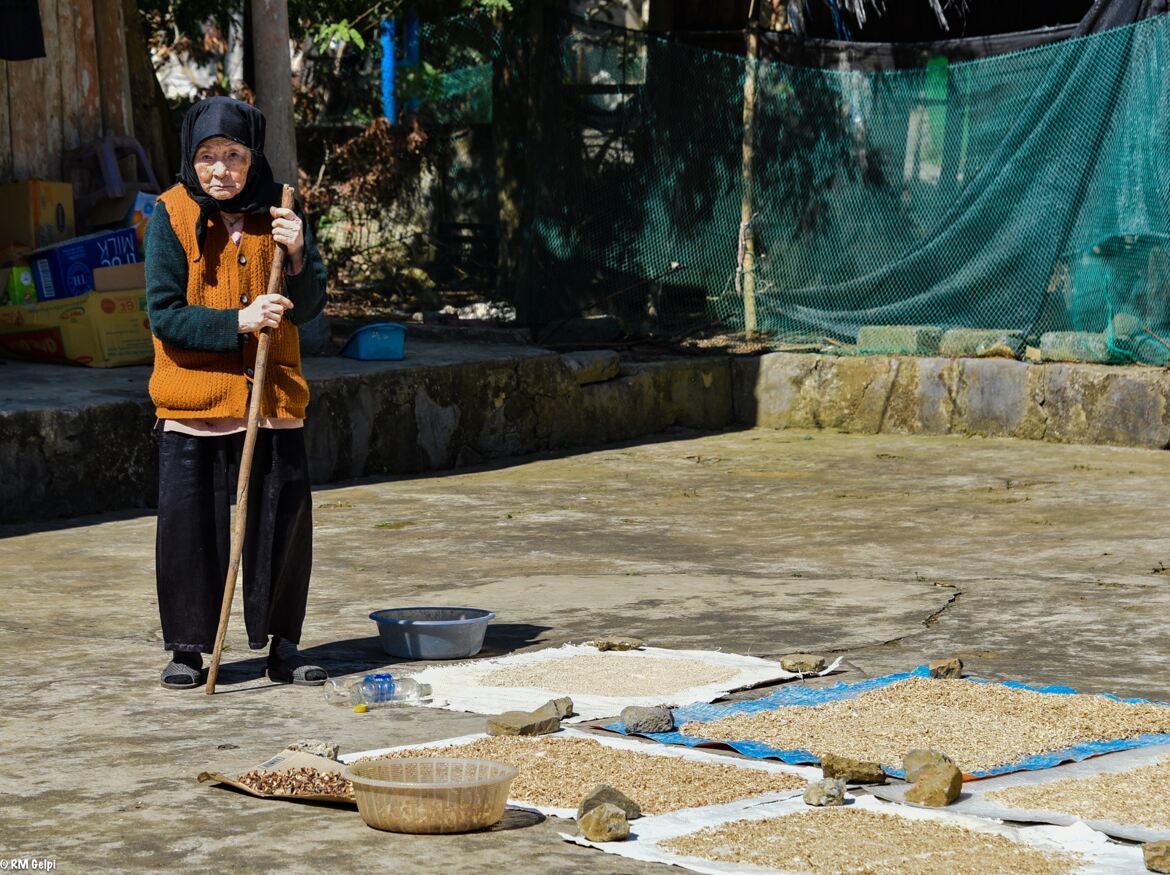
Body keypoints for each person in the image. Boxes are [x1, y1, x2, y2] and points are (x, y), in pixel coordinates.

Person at [145, 96, 328, 689]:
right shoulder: (169, 215)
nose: (220, 170)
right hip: (193, 397)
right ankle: (189, 649)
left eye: (233, 155)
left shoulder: (281, 212)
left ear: (253, 159)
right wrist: (238, 323)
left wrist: (299, 252)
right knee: (188, 528)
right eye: (206, 157)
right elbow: (165, 315)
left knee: (283, 523)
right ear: (188, 159)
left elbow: (315, 307)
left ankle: (284, 648)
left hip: (271, 396)